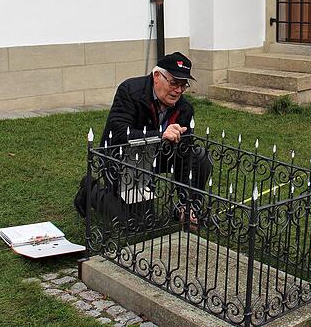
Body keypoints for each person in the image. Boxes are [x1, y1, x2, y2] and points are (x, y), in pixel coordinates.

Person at [74, 51, 212, 223]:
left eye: (183, 85)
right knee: (138, 221)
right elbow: (119, 134)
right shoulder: (130, 91)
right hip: (123, 156)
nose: (178, 91)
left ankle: (185, 209)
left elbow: (185, 153)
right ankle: (91, 189)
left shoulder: (184, 108)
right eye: (174, 83)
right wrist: (160, 135)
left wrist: (187, 201)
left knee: (199, 156)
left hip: (158, 156)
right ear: (156, 76)